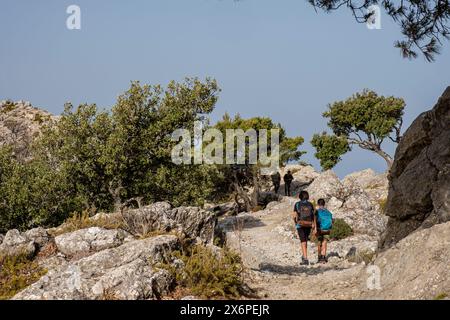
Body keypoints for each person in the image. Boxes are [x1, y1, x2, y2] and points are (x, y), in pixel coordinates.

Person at [292, 190, 316, 266]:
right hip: (309, 224)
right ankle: (304, 255)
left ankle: (305, 258)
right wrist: (314, 225)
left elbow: (294, 215)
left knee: (303, 241)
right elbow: (313, 215)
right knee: (305, 240)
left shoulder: (297, 204)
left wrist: (295, 223)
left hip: (300, 224)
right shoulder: (310, 204)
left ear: (300, 196)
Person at [315, 198, 333, 264]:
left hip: (320, 229)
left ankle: (319, 257)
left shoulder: (317, 211)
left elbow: (316, 220)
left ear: (318, 204)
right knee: (324, 242)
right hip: (327, 229)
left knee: (319, 242)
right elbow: (331, 220)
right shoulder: (328, 212)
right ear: (324, 204)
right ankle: (323, 257)